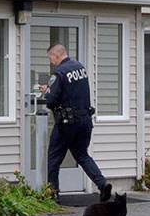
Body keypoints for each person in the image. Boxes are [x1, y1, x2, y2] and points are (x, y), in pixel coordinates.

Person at [42, 43, 112, 201]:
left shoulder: (59, 73)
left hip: (67, 123)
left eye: (51, 58)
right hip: (85, 120)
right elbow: (72, 92)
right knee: (82, 155)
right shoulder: (80, 68)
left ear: (56, 55)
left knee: (54, 158)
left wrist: (47, 92)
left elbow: (51, 101)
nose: (51, 62)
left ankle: (52, 194)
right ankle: (102, 184)